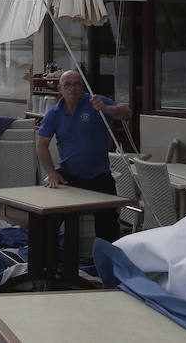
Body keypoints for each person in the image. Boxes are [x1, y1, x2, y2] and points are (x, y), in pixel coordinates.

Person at [36, 69, 132, 243]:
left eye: (76, 84)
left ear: (82, 87)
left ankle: (106, 257)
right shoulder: (53, 114)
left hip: (99, 176)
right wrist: (51, 172)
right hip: (68, 175)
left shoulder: (95, 102)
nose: (72, 88)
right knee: (48, 219)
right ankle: (48, 256)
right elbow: (42, 145)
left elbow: (127, 113)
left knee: (108, 228)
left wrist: (106, 109)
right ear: (60, 89)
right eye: (67, 84)